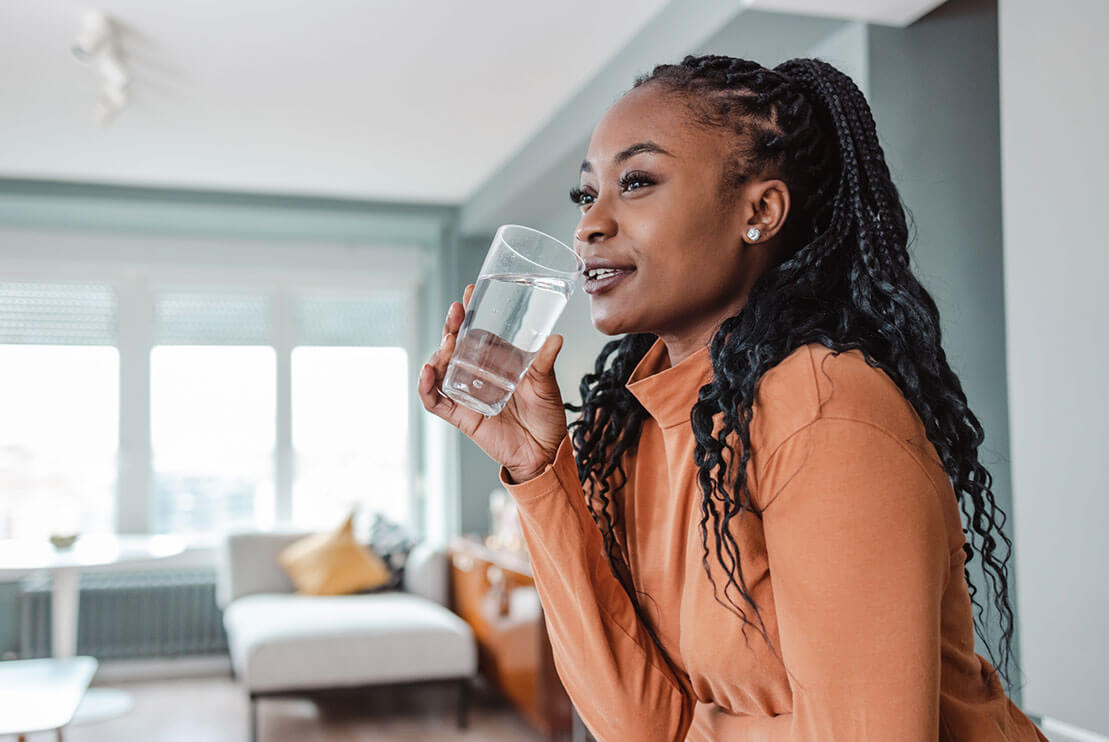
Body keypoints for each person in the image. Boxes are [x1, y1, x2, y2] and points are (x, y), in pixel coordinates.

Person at [418, 55, 1048, 741]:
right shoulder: (641, 424)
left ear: (760, 210)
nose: (588, 226)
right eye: (585, 195)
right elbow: (640, 724)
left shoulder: (823, 407)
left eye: (636, 182)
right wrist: (538, 469)